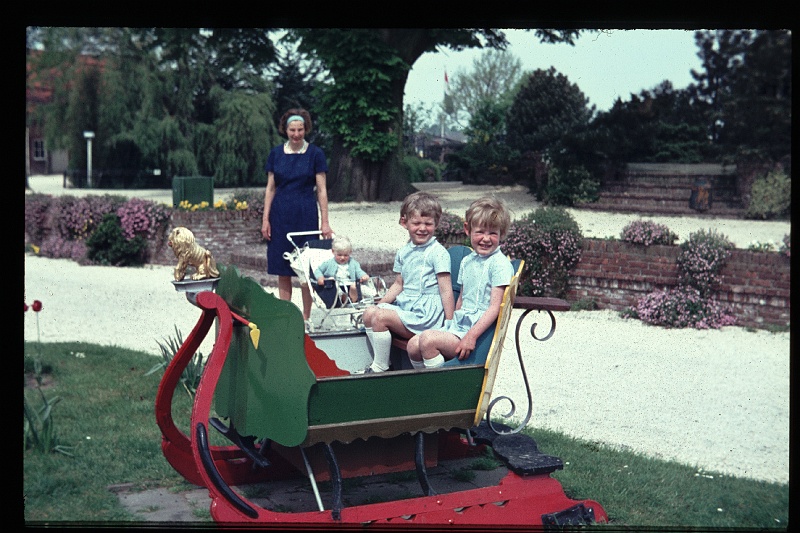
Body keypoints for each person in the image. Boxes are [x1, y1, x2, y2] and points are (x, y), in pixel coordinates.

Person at [406, 195, 514, 369]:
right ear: (467, 229)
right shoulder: (467, 261)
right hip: (458, 327)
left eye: (493, 233)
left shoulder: (499, 264)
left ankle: (438, 383)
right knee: (412, 345)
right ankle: (424, 380)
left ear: (501, 234)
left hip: (478, 335)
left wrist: (471, 336)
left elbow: (495, 307)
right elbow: (461, 299)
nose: (486, 238)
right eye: (480, 232)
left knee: (428, 340)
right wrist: (449, 325)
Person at [356, 191, 456, 374]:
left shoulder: (437, 252)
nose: (422, 228)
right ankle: (382, 361)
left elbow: (446, 290)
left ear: (436, 224)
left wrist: (449, 323)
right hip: (409, 308)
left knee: (380, 317)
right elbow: (398, 284)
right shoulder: (404, 251)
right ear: (404, 223)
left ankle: (381, 368)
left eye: (428, 223)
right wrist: (381, 303)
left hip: (426, 316)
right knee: (369, 312)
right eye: (416, 223)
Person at [261, 108, 332, 321]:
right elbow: (270, 188)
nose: (296, 134)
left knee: (305, 268)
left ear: (306, 129)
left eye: (300, 130)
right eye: (292, 130)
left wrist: (325, 222)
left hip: (306, 215)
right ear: (285, 130)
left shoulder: (315, 154)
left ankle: (306, 317)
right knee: (283, 267)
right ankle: (286, 316)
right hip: (280, 215)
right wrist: (265, 219)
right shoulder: (275, 154)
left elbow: (322, 190)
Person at [313, 235, 370, 305]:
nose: (342, 258)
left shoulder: (353, 263)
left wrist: (363, 275)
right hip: (337, 285)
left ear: (350, 252)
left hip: (350, 284)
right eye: (339, 255)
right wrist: (320, 278)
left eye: (346, 255)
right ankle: (344, 298)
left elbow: (358, 271)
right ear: (333, 251)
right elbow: (318, 270)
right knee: (335, 287)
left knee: (359, 287)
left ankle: (374, 296)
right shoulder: (329, 263)